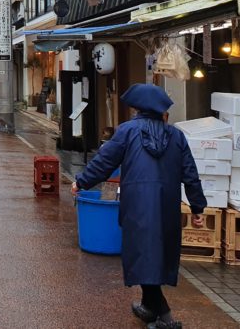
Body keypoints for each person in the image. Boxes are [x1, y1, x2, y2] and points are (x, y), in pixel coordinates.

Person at [71, 84, 206, 329]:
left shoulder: (127, 131)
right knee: (157, 254)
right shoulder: (176, 136)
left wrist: (82, 181)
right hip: (167, 204)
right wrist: (197, 206)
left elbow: (105, 160)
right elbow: (190, 173)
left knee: (143, 253)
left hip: (137, 203)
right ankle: (149, 307)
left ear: (138, 108)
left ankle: (165, 316)